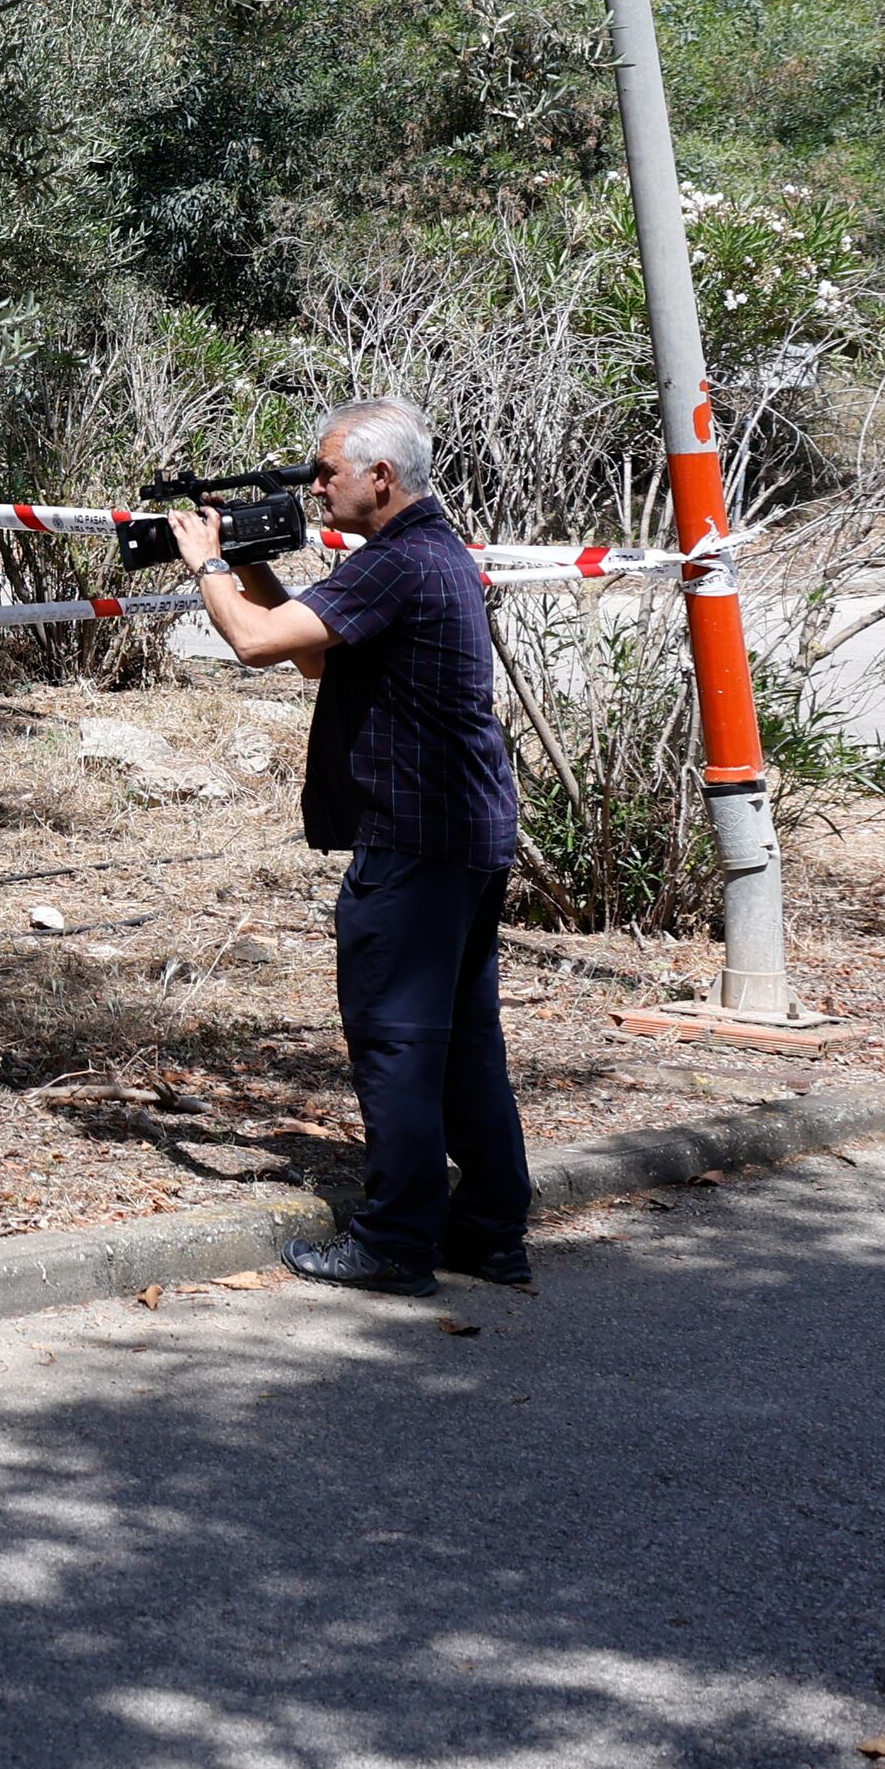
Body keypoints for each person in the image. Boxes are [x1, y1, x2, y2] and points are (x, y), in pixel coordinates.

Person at [172, 395, 530, 1296]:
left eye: (326, 471)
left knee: (398, 1042)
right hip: (464, 835)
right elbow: (315, 653)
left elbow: (254, 645)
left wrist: (208, 562)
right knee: (463, 1044)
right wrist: (252, 566)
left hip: (415, 843)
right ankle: (488, 1229)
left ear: (382, 475)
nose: (317, 487)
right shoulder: (426, 555)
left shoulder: (401, 561)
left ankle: (397, 1241)